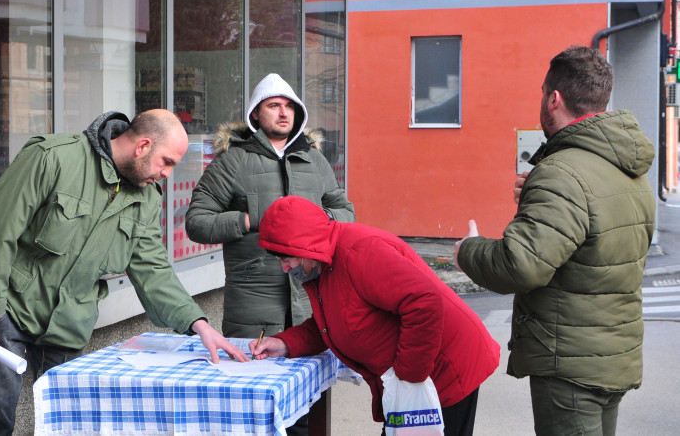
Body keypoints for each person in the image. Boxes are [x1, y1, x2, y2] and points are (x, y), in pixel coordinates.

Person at [0, 109, 249, 435]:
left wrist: (198, 324)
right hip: (9, 313)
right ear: (142, 146)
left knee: (70, 425)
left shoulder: (146, 198)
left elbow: (153, 268)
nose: (168, 175)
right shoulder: (52, 158)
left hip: (70, 322)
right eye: (167, 162)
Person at [453, 46, 656, 436]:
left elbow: (520, 264)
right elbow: (601, 240)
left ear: (554, 99)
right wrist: (540, 195)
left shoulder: (561, 173)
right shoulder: (624, 167)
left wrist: (468, 251)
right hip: (612, 358)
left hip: (570, 366)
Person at [251, 195, 500, 436]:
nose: (284, 268)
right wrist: (284, 343)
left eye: (287, 258)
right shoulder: (322, 265)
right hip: (415, 378)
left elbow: (423, 302)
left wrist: (408, 378)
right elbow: (332, 323)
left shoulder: (359, 252)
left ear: (306, 246)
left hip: (446, 370)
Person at [186, 73, 355, 339]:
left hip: (313, 305)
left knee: (315, 380)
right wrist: (252, 220)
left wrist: (318, 217)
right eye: (274, 106)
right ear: (255, 113)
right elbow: (197, 221)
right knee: (254, 377)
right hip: (252, 310)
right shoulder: (233, 160)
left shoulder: (314, 160)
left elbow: (346, 213)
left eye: (289, 106)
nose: (283, 113)